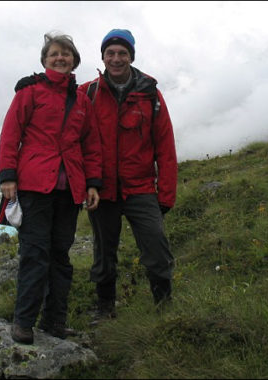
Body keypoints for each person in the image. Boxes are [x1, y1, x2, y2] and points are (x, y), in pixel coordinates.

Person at [0, 32, 102, 344]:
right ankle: (24, 322)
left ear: (74, 61)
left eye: (66, 54)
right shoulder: (29, 91)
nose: (60, 58)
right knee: (35, 253)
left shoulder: (82, 101)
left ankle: (55, 322)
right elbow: (10, 133)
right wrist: (7, 176)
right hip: (33, 187)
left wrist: (93, 184)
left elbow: (91, 145)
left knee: (60, 255)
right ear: (45, 60)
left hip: (69, 190)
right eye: (54, 53)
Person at [77, 29, 178, 324]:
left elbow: (165, 145)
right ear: (103, 57)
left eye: (122, 53)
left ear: (131, 56)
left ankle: (164, 305)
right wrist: (34, 83)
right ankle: (105, 306)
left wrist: (166, 194)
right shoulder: (88, 93)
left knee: (156, 246)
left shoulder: (150, 94)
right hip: (101, 189)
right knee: (103, 252)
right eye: (111, 53)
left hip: (141, 189)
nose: (116, 58)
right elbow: (59, 103)